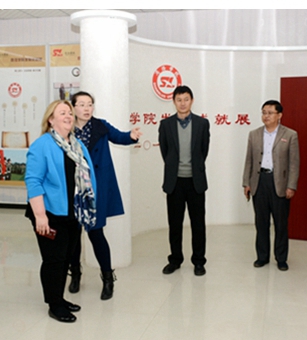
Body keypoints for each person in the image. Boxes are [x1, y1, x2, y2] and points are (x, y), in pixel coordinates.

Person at [25, 100, 96, 323]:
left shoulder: (76, 144)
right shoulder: (42, 144)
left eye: (70, 113)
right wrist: (40, 216)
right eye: (62, 113)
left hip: (72, 213)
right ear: (50, 119)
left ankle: (59, 297)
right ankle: (54, 305)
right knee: (54, 260)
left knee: (66, 259)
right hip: (49, 213)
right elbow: (33, 181)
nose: (68, 116)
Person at [69, 91, 142, 299]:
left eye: (90, 104)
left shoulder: (100, 126)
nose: (87, 108)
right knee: (73, 235)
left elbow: (119, 136)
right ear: (73, 107)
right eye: (82, 104)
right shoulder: (66, 128)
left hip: (95, 188)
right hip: (73, 189)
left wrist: (131, 136)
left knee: (96, 233)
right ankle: (75, 274)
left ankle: (108, 277)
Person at [158, 85, 210, 276]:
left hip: (196, 182)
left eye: (186, 99)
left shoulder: (202, 124)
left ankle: (199, 261)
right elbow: (165, 151)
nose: (182, 103)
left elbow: (203, 150)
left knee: (198, 224)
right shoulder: (166, 124)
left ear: (192, 101)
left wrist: (194, 167)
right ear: (174, 102)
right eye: (179, 100)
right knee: (175, 224)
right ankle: (175, 259)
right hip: (175, 182)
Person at [242, 100, 300, 271]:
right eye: (264, 112)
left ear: (279, 115)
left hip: (279, 183)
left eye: (270, 113)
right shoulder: (254, 134)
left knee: (280, 224)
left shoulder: (290, 135)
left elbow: (294, 164)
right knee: (261, 223)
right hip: (259, 181)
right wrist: (246, 183)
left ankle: (281, 258)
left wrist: (291, 186)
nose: (266, 116)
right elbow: (249, 160)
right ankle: (262, 256)